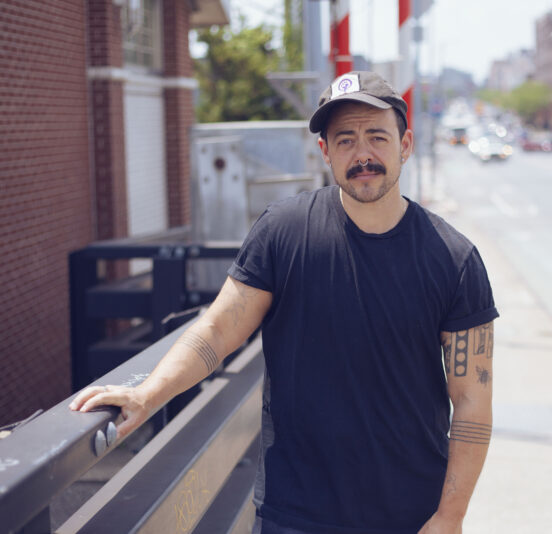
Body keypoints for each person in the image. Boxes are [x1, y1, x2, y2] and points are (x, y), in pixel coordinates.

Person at [70, 71, 498, 534]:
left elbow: (472, 401)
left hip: (410, 516)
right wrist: (146, 395)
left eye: (377, 137)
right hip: (294, 512)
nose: (363, 154)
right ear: (325, 153)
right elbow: (218, 330)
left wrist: (450, 515)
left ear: (406, 145)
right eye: (346, 140)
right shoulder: (283, 232)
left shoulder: (454, 259)